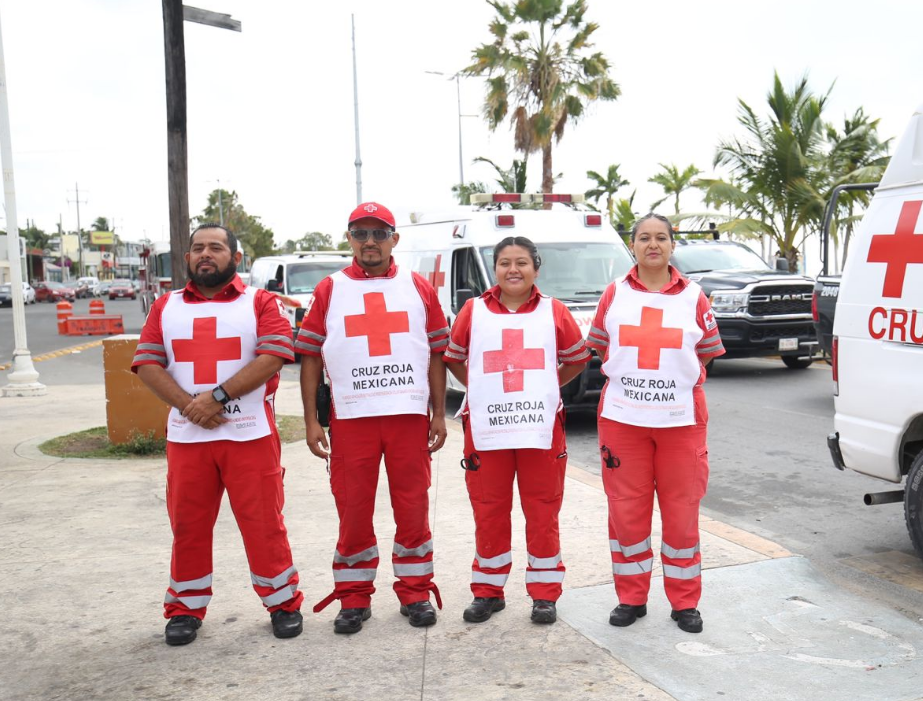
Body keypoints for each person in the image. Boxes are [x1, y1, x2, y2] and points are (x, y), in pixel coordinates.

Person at [132, 223, 303, 645]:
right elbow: (148, 364)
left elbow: (276, 354)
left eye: (215, 247)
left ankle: (283, 603)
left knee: (264, 523)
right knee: (187, 525)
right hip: (188, 437)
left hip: (249, 435)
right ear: (187, 259)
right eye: (197, 249)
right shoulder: (165, 307)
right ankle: (184, 609)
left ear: (236, 258)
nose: (205, 254)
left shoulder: (260, 302)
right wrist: (191, 406)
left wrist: (218, 397)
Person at [294, 202, 450, 633]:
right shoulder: (329, 290)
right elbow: (309, 357)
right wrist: (311, 421)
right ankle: (353, 597)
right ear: (349, 239)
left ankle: (416, 592)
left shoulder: (417, 287)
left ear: (394, 240)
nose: (370, 242)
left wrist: (439, 414)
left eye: (379, 233)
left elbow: (438, 352)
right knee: (354, 511)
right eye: (360, 233)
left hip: (406, 418)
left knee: (413, 508)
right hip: (351, 419)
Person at [586, 213, 725, 634]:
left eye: (661, 237)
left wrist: (668, 386)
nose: (652, 244)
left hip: (680, 422)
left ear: (672, 245)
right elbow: (600, 348)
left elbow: (705, 352)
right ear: (633, 245)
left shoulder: (694, 297)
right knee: (627, 514)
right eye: (644, 237)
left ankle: (685, 603)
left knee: (682, 514)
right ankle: (631, 597)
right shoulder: (614, 294)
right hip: (624, 423)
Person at [443, 236, 590, 625]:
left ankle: (544, 595)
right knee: (489, 510)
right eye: (505, 262)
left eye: (522, 262)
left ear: (536, 268)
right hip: (488, 430)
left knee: (542, 510)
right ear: (494, 269)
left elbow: (577, 358)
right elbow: (454, 359)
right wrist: (480, 388)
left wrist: (546, 387)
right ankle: (488, 592)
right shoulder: (472, 311)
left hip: (539, 429)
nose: (513, 270)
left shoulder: (554, 311)